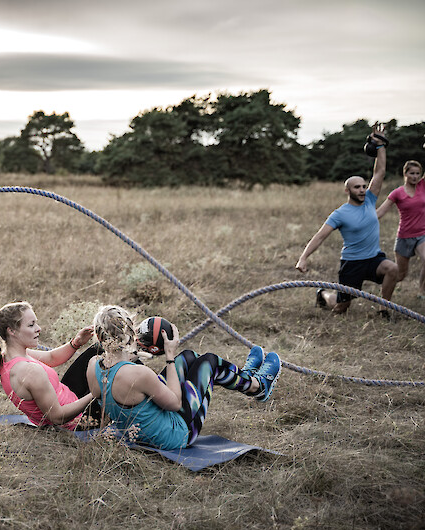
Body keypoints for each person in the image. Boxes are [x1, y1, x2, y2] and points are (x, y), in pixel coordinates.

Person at [85, 305, 282, 449]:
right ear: (130, 331)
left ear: (98, 336)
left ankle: (245, 377)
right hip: (176, 435)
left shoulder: (93, 365)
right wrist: (169, 355)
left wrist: (137, 351)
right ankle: (258, 386)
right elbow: (175, 404)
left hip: (136, 433)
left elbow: (105, 390)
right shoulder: (139, 373)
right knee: (209, 362)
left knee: (187, 357)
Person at [295, 123, 398, 315]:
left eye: (363, 186)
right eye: (356, 187)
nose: (361, 190)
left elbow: (380, 172)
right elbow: (320, 236)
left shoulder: (369, 200)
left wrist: (381, 145)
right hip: (352, 263)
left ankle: (384, 308)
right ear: (347, 190)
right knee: (341, 307)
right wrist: (303, 258)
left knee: (392, 269)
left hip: (373, 259)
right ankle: (323, 295)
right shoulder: (340, 213)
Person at [0, 301, 103, 430]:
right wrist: (95, 393)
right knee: (115, 375)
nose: (38, 328)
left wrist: (76, 343)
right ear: (12, 331)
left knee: (98, 348)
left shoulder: (10, 356)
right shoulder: (28, 371)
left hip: (68, 397)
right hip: (78, 420)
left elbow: (51, 358)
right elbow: (57, 417)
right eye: (31, 325)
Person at [376, 160, 425, 299]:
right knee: (401, 274)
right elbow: (380, 212)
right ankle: (385, 287)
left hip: (422, 234)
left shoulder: (423, 186)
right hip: (404, 236)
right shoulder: (397, 193)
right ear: (405, 174)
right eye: (412, 173)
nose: (415, 176)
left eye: (417, 173)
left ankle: (421, 291)